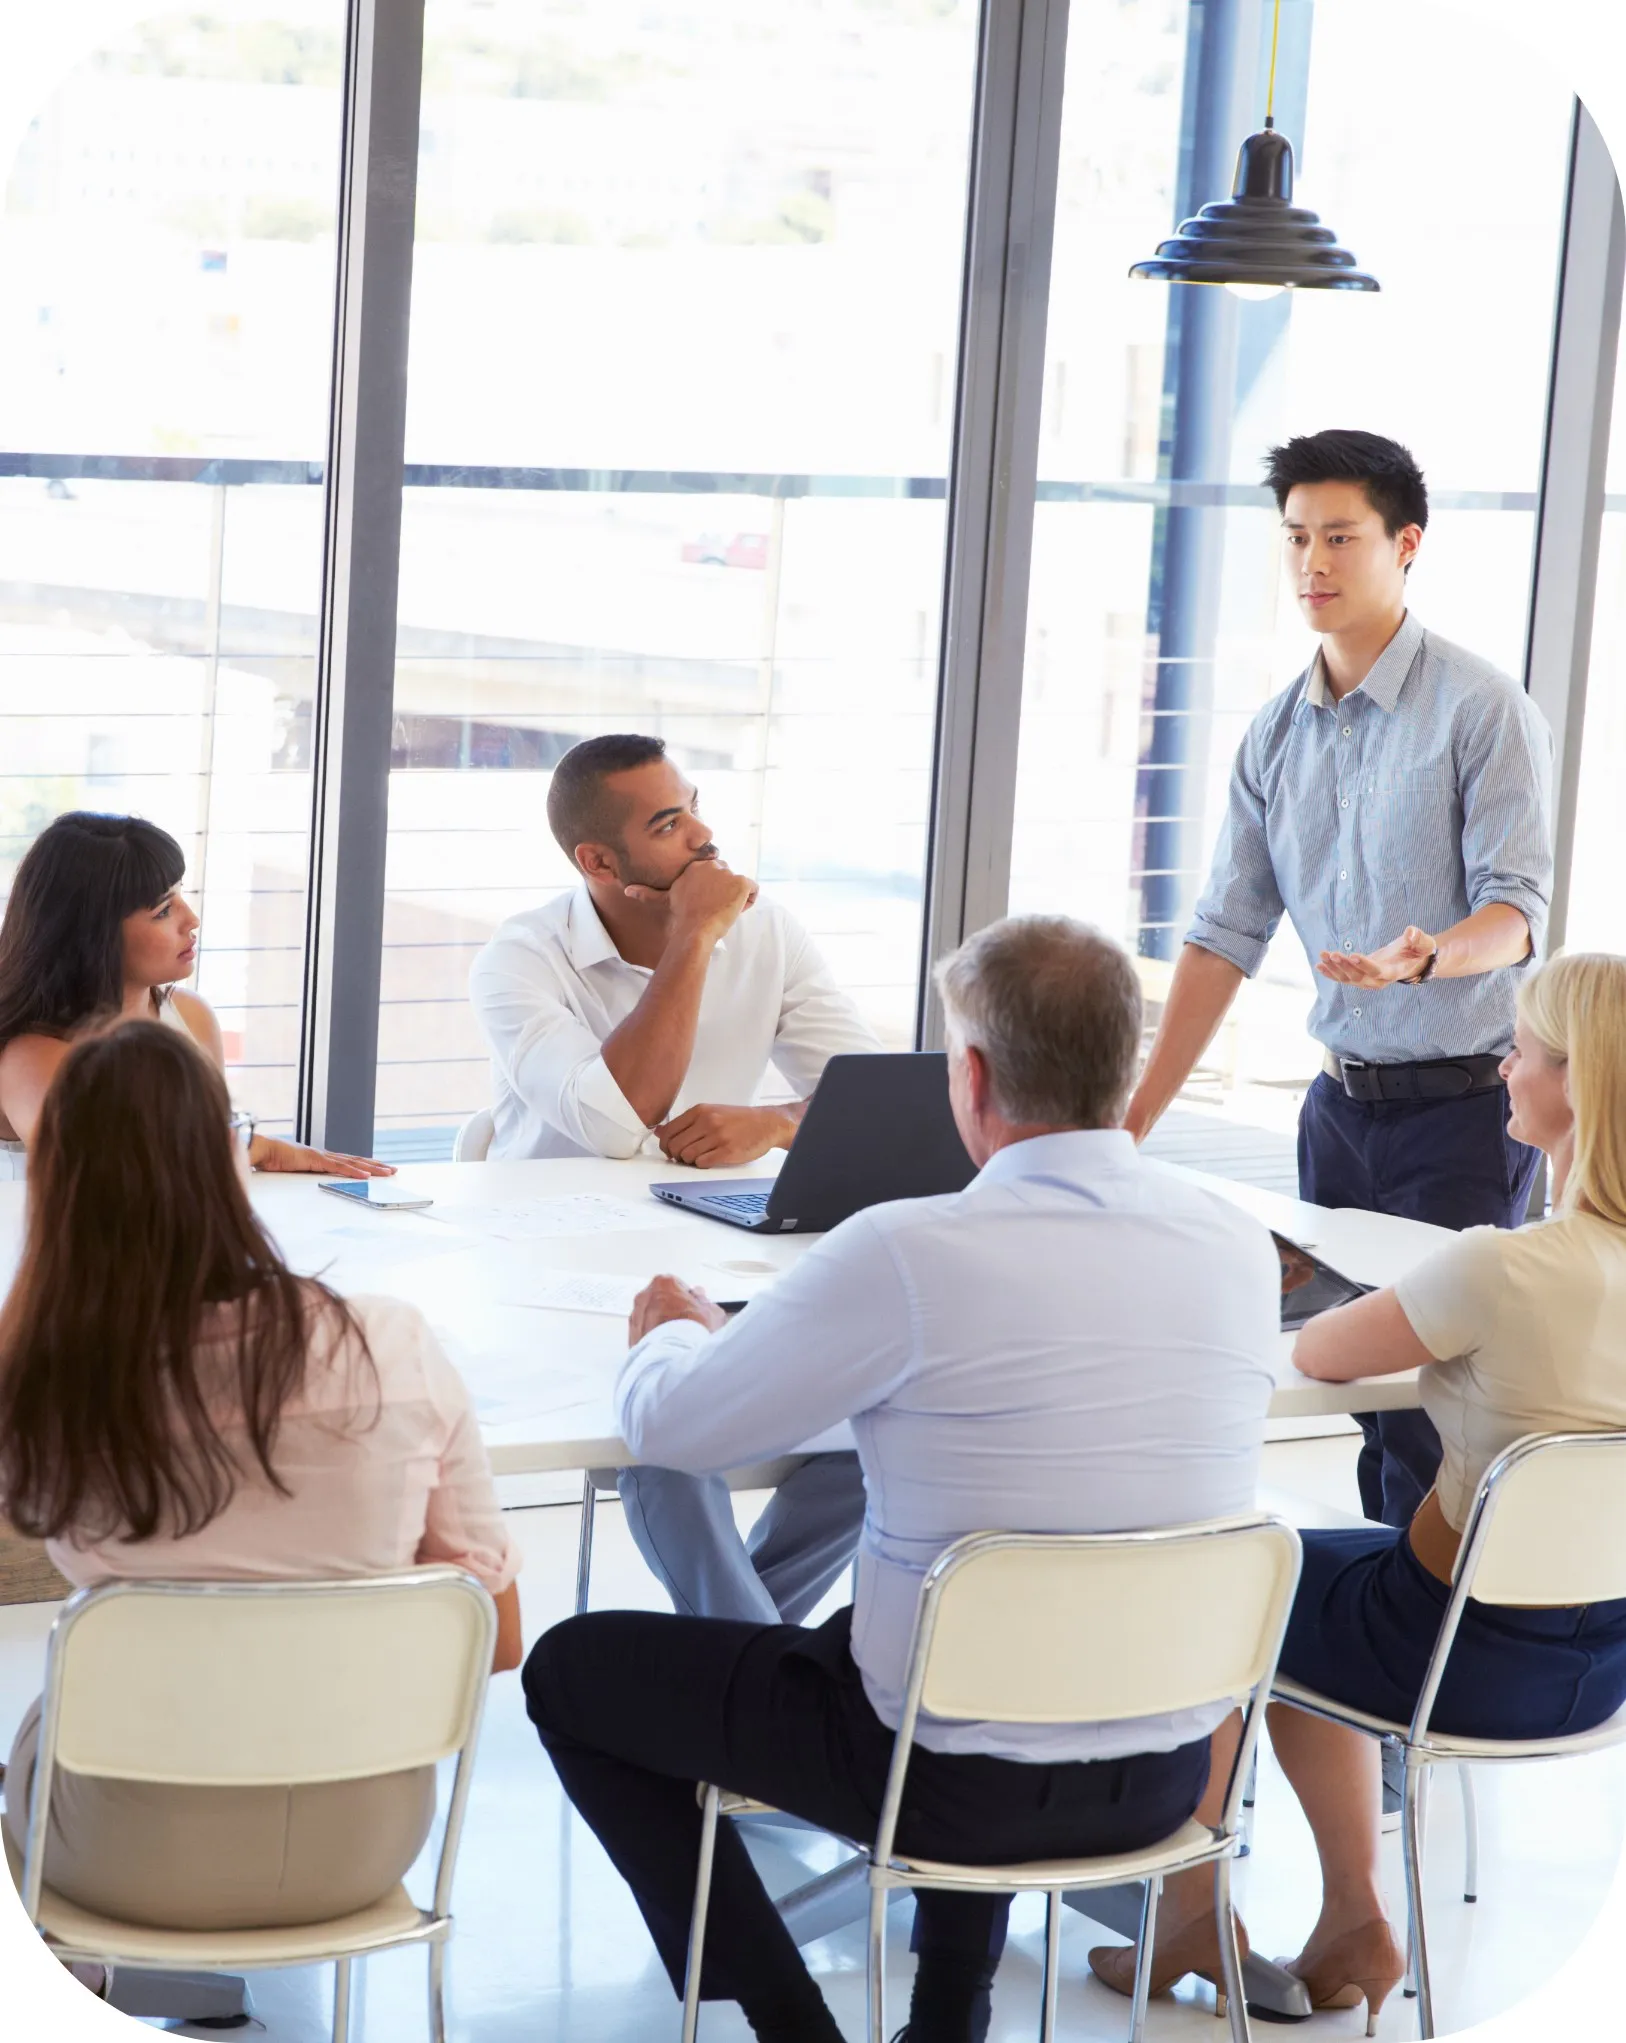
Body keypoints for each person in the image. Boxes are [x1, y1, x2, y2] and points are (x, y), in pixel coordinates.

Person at [522, 914, 1280, 2043]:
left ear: (966, 1078)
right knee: (976, 1626)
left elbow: (678, 1428)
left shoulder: (910, 1251)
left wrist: (670, 1334)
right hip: (1166, 1774)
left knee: (574, 1671)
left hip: (937, 1781)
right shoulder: (1236, 1242)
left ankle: (794, 2026)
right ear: (1126, 1067)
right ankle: (946, 2018)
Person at [1096, 952, 1626, 2030]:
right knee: (1306, 1572)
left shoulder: (1504, 1266)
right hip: (1596, 1670)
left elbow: (1329, 1352)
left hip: (1449, 1657)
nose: (1503, 1068)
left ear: (1578, 1082)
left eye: (1518, 1050)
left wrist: (1409, 1296)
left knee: (1229, 1574)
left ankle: (1192, 1911)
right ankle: (1352, 1923)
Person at [0, 1019, 523, 1932]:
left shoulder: (43, 1380)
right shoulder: (388, 1345)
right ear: (228, 1161)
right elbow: (497, 1637)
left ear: (57, 1183)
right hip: (364, 1843)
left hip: (125, 1855)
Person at [1124, 430, 1553, 1542]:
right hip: (1336, 1115)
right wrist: (1131, 1119)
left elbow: (1519, 915)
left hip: (1464, 1109)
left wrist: (1430, 955)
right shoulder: (1274, 734)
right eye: (1296, 537)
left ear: (1406, 544)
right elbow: (1224, 934)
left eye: (1340, 537)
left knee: (1441, 1407)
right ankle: (1379, 1637)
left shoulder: (1481, 709)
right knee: (1354, 1404)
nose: (1312, 561)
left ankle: (1441, 1671)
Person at [472, 733, 879, 1625]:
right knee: (669, 1450)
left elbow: (869, 1095)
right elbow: (617, 1125)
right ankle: (755, 1670)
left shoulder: (766, 927)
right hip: (554, 1282)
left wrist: (774, 1122)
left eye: (694, 804)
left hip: (717, 1253)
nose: (703, 835)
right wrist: (693, 933)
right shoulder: (519, 959)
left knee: (872, 1433)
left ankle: (743, 1664)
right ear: (599, 861)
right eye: (668, 822)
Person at [0, 811, 391, 1180]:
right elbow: (116, 1175)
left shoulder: (190, 1015)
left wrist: (242, 1149)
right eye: (163, 911)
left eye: (181, 895)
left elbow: (203, 1171)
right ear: (91, 935)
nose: (192, 920)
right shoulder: (29, 1057)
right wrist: (255, 1148)